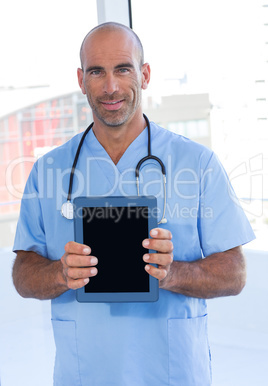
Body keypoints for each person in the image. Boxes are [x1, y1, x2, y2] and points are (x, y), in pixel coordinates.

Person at [12, 22, 255, 386]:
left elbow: (235, 273)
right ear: (81, 80)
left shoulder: (197, 164)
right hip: (85, 372)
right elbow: (22, 274)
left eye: (123, 69)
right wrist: (59, 274)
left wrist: (174, 273)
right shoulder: (49, 170)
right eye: (97, 71)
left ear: (144, 74)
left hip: (171, 372)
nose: (110, 87)